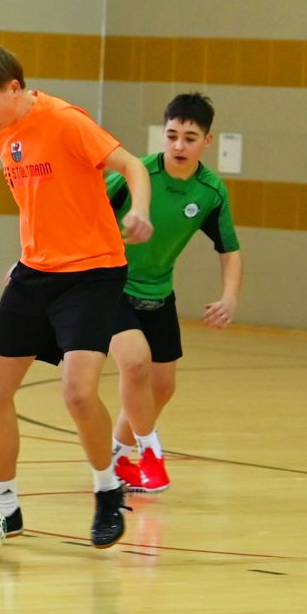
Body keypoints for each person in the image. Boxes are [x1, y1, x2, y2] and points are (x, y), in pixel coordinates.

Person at [0, 43, 152, 551]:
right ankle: (4, 508)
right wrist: (28, 255)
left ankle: (108, 490)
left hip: (92, 274)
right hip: (36, 271)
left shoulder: (64, 121)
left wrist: (140, 211)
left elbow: (132, 165)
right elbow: (42, 203)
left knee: (77, 392)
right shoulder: (2, 134)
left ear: (14, 88)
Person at [107, 93, 244, 493]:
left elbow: (230, 250)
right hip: (111, 285)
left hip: (159, 292)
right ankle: (151, 454)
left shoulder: (210, 192)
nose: (179, 145)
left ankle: (116, 458)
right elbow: (79, 216)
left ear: (207, 141)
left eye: (189, 138)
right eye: (171, 136)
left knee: (161, 388)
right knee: (135, 366)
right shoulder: (135, 176)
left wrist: (229, 297)